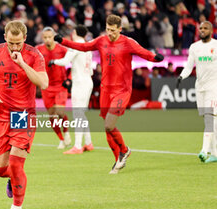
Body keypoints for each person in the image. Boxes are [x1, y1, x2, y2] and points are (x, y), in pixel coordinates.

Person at [54, 14, 164, 174]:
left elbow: (143, 52)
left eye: (113, 30)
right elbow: (84, 47)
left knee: (109, 125)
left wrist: (155, 58)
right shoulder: (101, 41)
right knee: (107, 129)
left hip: (121, 90)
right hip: (106, 89)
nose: (110, 33)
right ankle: (118, 160)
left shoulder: (128, 42)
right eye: (108, 29)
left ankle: (125, 151)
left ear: (120, 29)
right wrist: (63, 41)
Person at [0, 20, 48, 209]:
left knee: (16, 164)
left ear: (25, 38)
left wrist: (22, 63)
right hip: (1, 115)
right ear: (5, 38)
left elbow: (43, 82)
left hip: (22, 115)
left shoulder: (34, 55)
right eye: (11, 43)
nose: (15, 47)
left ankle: (16, 208)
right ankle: (12, 179)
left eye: (18, 43)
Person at [49, 25, 94, 154]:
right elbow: (90, 68)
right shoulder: (88, 47)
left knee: (77, 114)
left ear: (74, 32)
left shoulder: (75, 45)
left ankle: (78, 146)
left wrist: (53, 61)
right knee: (82, 114)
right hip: (87, 80)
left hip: (80, 82)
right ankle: (88, 143)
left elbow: (65, 61)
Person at [177, 21, 217, 163]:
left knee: (209, 118)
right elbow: (189, 66)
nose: (202, 30)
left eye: (205, 28)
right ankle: (215, 153)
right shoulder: (194, 47)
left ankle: (204, 150)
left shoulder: (216, 46)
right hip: (200, 87)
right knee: (211, 120)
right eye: (200, 28)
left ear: (211, 30)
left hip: (214, 87)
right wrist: (182, 76)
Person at [36, 27, 71, 149]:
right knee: (51, 115)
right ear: (42, 38)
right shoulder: (38, 50)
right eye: (45, 37)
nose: (47, 40)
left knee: (60, 112)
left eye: (49, 37)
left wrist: (69, 78)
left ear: (54, 37)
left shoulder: (62, 49)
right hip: (46, 86)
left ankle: (66, 132)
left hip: (60, 85)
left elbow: (73, 61)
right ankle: (61, 139)